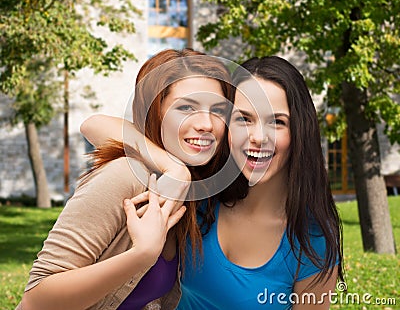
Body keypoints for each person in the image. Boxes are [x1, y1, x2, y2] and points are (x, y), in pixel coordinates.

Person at [81, 56, 344, 309]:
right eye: (244, 118)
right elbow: (94, 125)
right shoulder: (202, 190)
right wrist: (174, 168)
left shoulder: (312, 239)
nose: (258, 137)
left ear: (300, 130)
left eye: (277, 122)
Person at [17, 48, 234, 310]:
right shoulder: (125, 177)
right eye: (186, 107)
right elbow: (36, 299)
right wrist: (140, 255)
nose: (206, 124)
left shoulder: (196, 195)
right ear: (156, 112)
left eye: (218, 110)